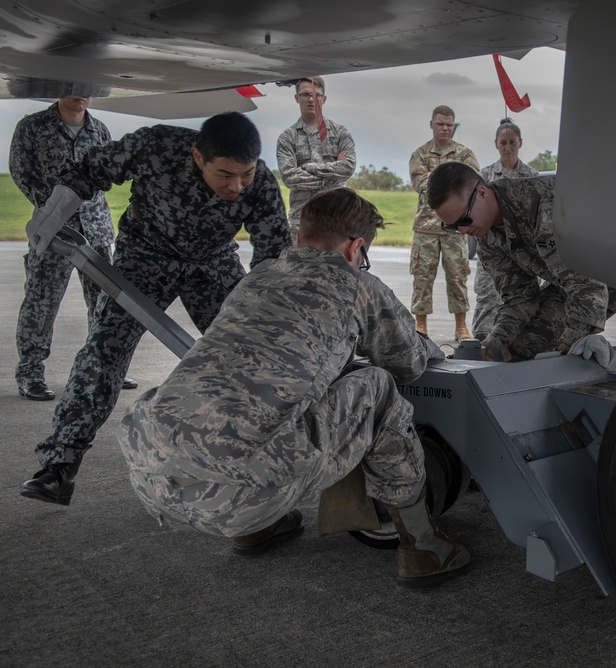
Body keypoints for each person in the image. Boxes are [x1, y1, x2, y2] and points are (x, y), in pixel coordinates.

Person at [117, 188, 472, 589]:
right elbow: (405, 364)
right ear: (357, 248)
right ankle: (423, 547)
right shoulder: (357, 284)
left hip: (151, 473)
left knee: (254, 399)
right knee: (377, 385)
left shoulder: (257, 278)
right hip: (244, 495)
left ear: (299, 239)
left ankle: (255, 530)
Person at [20, 111, 293, 506]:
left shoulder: (262, 183)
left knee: (246, 353)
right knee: (104, 349)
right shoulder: (156, 146)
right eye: (225, 175)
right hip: (144, 259)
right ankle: (59, 465)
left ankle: (254, 457)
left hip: (212, 265)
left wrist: (262, 311)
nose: (237, 186)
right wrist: (53, 211)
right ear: (198, 157)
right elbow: (90, 169)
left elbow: (271, 253)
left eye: (246, 173)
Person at [428, 162, 616, 361]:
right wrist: (495, 344)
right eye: (453, 227)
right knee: (520, 346)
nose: (463, 232)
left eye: (464, 220)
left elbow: (588, 288)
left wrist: (567, 350)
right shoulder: (485, 231)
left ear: (483, 193)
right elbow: (520, 298)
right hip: (576, 282)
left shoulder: (546, 206)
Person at [10, 96, 138, 401]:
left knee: (102, 304)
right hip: (55, 230)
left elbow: (108, 173)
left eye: (87, 87)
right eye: (74, 86)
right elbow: (20, 171)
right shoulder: (33, 126)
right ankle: (31, 373)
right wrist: (51, 206)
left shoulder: (99, 130)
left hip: (95, 229)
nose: (81, 92)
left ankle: (101, 368)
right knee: (41, 303)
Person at [408, 105, 479, 341]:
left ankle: (461, 327)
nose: (445, 128)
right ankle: (421, 327)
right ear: (431, 125)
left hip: (455, 227)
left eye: (449, 124)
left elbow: (471, 185)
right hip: (426, 228)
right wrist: (451, 178)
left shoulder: (465, 154)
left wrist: (436, 177)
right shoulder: (419, 155)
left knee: (458, 277)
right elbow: (422, 185)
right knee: (422, 278)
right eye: (440, 124)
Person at [473, 118, 539, 340]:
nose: (508, 148)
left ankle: (519, 340)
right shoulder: (484, 176)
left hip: (524, 249)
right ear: (496, 144)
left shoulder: (532, 176)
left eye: (512, 142)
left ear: (520, 143)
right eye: (503, 143)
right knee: (487, 295)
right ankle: (482, 339)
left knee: (525, 296)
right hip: (491, 247)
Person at [275, 76, 357, 239]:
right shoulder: (287, 138)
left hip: (337, 220)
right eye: (305, 94)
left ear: (324, 99)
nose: (311, 99)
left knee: (337, 265)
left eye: (317, 95)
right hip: (302, 222)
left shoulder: (340, 133)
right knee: (300, 265)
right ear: (297, 98)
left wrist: (306, 167)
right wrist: (333, 177)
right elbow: (289, 177)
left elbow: (348, 168)